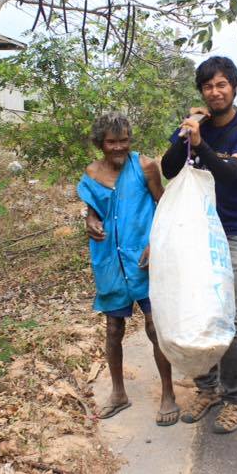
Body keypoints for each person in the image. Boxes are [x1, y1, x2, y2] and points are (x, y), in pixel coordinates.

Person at [160, 56, 237, 434]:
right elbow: (170, 169)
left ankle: (233, 398)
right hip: (193, 232)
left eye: (222, 84)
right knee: (195, 309)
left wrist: (203, 146)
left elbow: (232, 173)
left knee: (227, 314)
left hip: (231, 231)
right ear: (201, 92)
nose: (215, 91)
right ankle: (207, 389)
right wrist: (186, 134)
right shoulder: (195, 126)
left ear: (235, 87)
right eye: (208, 86)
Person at [77, 112, 180, 426]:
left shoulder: (146, 166)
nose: (118, 147)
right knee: (113, 330)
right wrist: (90, 221)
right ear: (100, 143)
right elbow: (94, 212)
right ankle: (119, 393)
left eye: (124, 140)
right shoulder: (92, 173)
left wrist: (154, 242)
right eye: (111, 142)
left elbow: (164, 206)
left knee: (154, 327)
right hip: (110, 261)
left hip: (143, 260)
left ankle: (168, 394)